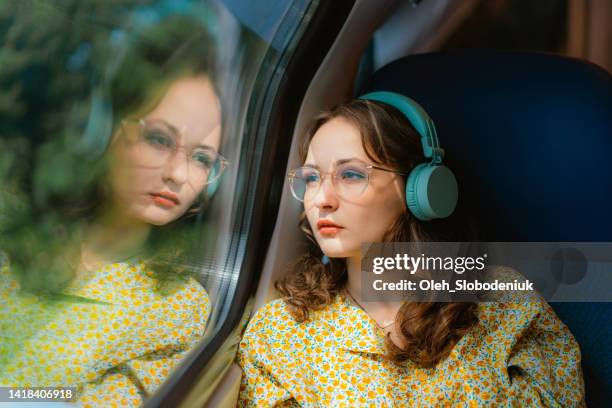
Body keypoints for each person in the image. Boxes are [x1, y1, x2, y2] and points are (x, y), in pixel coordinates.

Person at [236, 93, 585, 407]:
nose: (321, 200)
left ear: (420, 188)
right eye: (312, 178)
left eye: (351, 175)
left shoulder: (505, 304)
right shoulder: (281, 332)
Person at [0, 15, 227, 407]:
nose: (177, 174)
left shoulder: (176, 307)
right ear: (101, 128)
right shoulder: (19, 228)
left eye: (202, 159)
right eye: (159, 139)